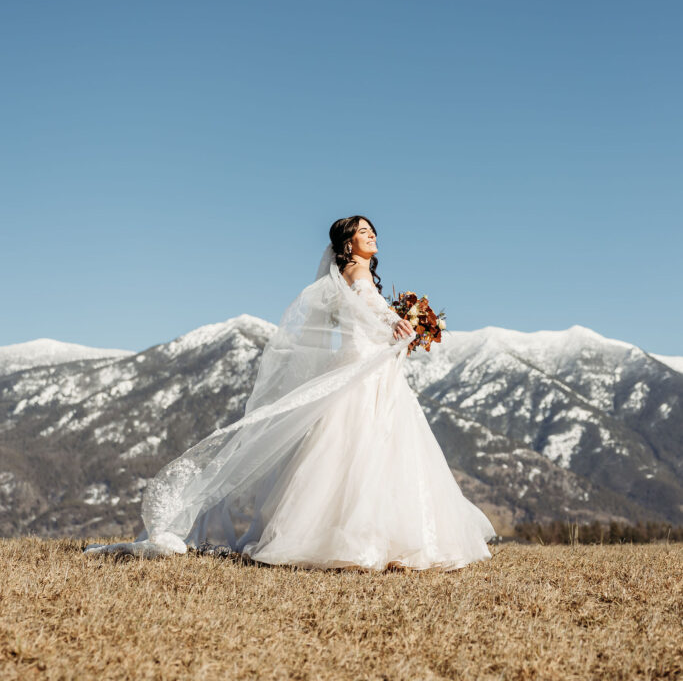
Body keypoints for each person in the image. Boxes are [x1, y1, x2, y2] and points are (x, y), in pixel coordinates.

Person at [85, 215, 496, 571]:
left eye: (372, 230)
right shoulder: (355, 273)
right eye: (363, 231)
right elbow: (363, 311)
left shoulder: (356, 275)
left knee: (365, 452)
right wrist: (397, 324)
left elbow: (366, 316)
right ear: (347, 242)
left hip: (374, 369)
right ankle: (366, 541)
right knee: (365, 449)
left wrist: (399, 326)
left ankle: (365, 538)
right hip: (365, 371)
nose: (371, 235)